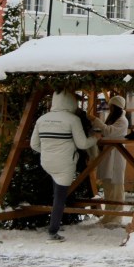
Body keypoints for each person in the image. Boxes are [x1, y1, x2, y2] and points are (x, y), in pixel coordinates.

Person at [29, 91, 98, 241]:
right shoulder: (73, 120)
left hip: (46, 162)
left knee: (56, 194)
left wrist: (48, 151)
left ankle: (54, 226)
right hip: (65, 163)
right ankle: (53, 231)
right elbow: (82, 143)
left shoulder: (42, 119)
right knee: (59, 198)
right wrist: (95, 139)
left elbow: (34, 144)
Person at [93, 95, 129, 226]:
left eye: (111, 106)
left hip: (116, 157)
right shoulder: (115, 119)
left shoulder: (122, 121)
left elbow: (109, 131)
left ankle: (116, 217)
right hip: (108, 157)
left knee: (116, 188)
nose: (109, 108)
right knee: (108, 188)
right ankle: (108, 216)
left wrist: (96, 120)